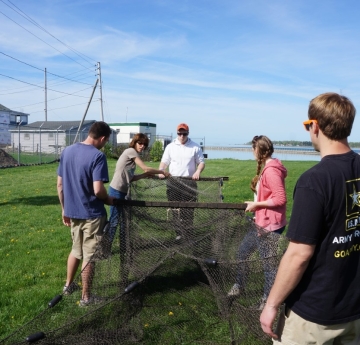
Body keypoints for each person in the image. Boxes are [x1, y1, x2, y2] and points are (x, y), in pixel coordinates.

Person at [260, 92, 360, 344]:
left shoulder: (314, 181)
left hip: (315, 313)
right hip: (354, 308)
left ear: (315, 126)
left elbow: (299, 254)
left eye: (307, 125)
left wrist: (272, 304)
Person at [57, 121, 115, 307]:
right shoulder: (98, 156)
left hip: (72, 212)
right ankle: (86, 298)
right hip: (92, 214)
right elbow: (98, 190)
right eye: (106, 141)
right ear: (103, 138)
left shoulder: (67, 151)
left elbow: (60, 185)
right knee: (90, 256)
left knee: (76, 250)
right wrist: (108, 200)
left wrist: (64, 209)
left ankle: (67, 286)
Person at [228, 135, 287, 310]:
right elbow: (268, 196)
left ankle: (267, 301)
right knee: (242, 253)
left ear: (259, 150)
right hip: (261, 222)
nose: (252, 152)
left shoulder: (271, 171)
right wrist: (256, 205)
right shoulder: (268, 168)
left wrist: (257, 205)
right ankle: (240, 286)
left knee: (268, 265)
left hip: (270, 226)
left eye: (253, 149)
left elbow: (280, 198)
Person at [108, 133, 170, 244]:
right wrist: (162, 171)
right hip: (116, 191)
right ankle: (105, 247)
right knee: (114, 221)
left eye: (144, 144)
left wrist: (144, 176)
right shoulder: (130, 151)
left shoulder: (133, 156)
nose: (142, 146)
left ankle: (123, 246)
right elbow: (146, 168)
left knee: (123, 222)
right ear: (134, 143)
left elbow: (130, 178)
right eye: (140, 143)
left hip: (122, 191)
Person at [159, 123, 205, 240]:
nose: (181, 136)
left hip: (189, 183)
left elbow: (201, 162)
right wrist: (161, 170)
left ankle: (188, 233)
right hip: (173, 182)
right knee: (175, 209)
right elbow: (164, 162)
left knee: (188, 210)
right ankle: (178, 233)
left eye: (184, 133)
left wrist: (198, 171)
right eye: (179, 133)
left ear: (187, 133)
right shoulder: (170, 147)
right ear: (177, 133)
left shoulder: (195, 147)